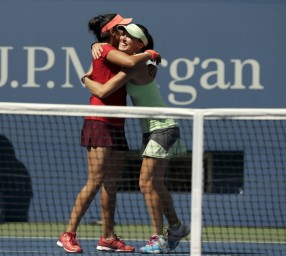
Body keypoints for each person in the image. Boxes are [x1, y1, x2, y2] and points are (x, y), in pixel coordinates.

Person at [83, 23, 190, 254]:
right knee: (157, 183)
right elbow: (114, 55)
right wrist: (97, 44)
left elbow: (102, 91)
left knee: (146, 183)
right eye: (122, 33)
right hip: (153, 129)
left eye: (130, 36)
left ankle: (158, 238)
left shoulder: (136, 65)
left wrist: (84, 79)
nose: (123, 38)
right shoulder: (140, 60)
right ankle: (177, 227)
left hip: (162, 127)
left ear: (140, 43)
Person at [57, 14, 160, 254]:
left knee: (110, 185)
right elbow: (131, 63)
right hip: (99, 121)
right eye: (121, 30)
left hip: (116, 124)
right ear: (110, 32)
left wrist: (145, 56)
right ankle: (68, 233)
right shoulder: (103, 48)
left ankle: (107, 236)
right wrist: (149, 53)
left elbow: (133, 64)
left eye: (126, 32)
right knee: (95, 181)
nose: (124, 34)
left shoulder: (108, 50)